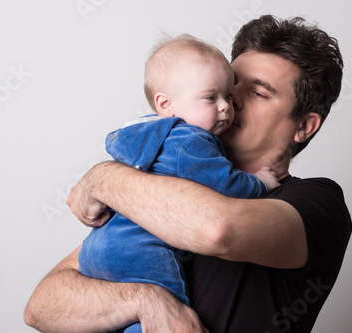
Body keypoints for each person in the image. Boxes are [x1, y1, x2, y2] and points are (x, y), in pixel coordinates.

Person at [24, 15, 352, 333]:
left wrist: (103, 179)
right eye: (229, 84)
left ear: (304, 126)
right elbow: (42, 306)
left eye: (257, 93)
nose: (230, 100)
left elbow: (216, 228)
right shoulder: (166, 178)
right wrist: (144, 299)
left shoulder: (318, 202)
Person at [78, 34, 279, 333]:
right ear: (166, 104)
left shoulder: (148, 133)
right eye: (212, 97)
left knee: (119, 317)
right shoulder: (190, 142)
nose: (227, 106)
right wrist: (260, 183)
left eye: (227, 95)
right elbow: (225, 185)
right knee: (169, 313)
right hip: (142, 251)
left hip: (98, 249)